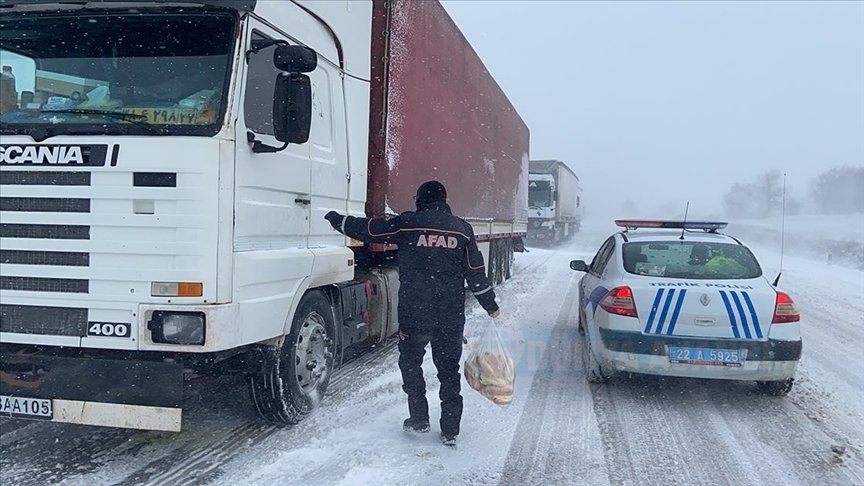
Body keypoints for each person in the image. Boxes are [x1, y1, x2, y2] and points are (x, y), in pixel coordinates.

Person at [325, 180, 501, 447]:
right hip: (449, 316)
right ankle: (450, 429)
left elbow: (371, 230)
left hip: (415, 312)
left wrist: (337, 220)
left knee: (411, 364)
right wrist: (491, 306)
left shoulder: (409, 224)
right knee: (448, 371)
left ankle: (419, 418)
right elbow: (475, 272)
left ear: (421, 199)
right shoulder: (462, 230)